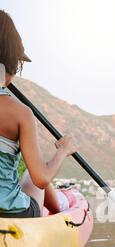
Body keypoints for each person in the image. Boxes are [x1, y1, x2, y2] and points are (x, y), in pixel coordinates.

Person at [0, 10, 78, 218]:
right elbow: (41, 179)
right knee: (31, 173)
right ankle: (60, 212)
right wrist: (63, 150)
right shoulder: (20, 113)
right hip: (12, 214)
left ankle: (59, 208)